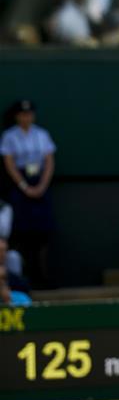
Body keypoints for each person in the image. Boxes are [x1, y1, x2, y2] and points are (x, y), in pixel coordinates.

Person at [0, 100, 56, 287]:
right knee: (21, 232)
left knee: (43, 232)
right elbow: (9, 163)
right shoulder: (9, 136)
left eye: (29, 113)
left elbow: (49, 160)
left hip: (40, 183)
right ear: (17, 116)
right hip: (20, 185)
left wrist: (42, 185)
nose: (27, 117)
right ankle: (23, 278)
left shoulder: (42, 134)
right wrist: (24, 186)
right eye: (23, 114)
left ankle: (44, 277)